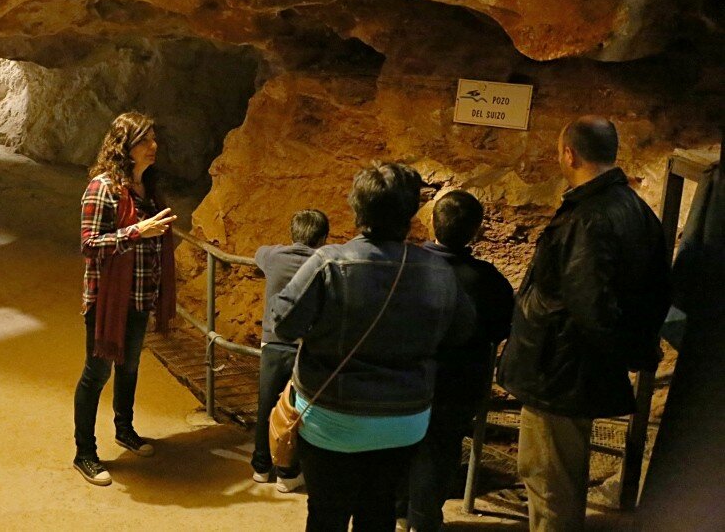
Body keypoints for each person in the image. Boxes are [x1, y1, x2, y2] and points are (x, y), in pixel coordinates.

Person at [270, 162, 476, 531]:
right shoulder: (438, 271)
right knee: (379, 510)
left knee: (326, 514)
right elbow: (460, 331)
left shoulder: (328, 263)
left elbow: (284, 325)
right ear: (411, 213)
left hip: (332, 415)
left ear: (357, 209)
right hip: (404, 419)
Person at [497, 116, 671, 531]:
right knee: (553, 477)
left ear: (569, 154)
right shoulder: (635, 210)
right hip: (576, 370)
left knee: (548, 480)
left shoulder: (588, 218)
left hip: (560, 372)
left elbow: (589, 305)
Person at [72, 112, 178, 486]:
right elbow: (88, 244)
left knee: (130, 364)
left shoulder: (148, 186)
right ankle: (84, 453)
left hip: (139, 294)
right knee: (97, 372)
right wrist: (136, 231)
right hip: (107, 300)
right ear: (125, 147)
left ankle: (124, 429)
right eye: (145, 140)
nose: (154, 146)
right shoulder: (102, 188)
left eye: (153, 138)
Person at [398, 190, 515, 532]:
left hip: (405, 375)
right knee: (441, 449)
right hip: (459, 383)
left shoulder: (406, 265)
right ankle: (423, 520)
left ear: (432, 223)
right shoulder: (489, 280)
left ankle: (397, 510)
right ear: (476, 231)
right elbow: (499, 328)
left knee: (400, 443)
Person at [251, 209, 331, 493]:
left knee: (266, 404)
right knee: (297, 409)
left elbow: (259, 253)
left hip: (272, 343)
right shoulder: (324, 262)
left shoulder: (274, 256)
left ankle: (261, 467)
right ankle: (287, 472)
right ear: (322, 238)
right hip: (304, 347)